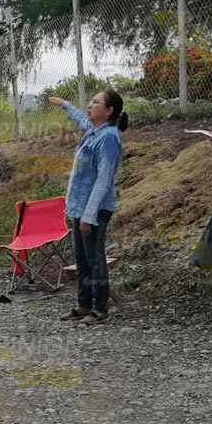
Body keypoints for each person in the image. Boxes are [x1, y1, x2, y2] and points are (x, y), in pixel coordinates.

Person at [48, 90, 128, 325]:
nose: (90, 105)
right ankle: (84, 305)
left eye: (96, 102)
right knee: (82, 259)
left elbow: (104, 179)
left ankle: (100, 308)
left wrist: (89, 216)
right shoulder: (95, 131)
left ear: (109, 111)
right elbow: (82, 120)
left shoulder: (109, 138)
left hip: (93, 210)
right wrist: (65, 104)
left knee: (95, 259)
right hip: (79, 207)